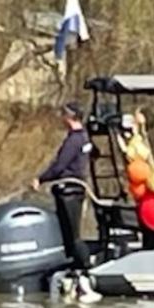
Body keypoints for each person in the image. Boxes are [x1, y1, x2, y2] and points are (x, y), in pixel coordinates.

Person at [31, 102, 97, 296]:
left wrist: (40, 179)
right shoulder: (85, 138)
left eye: (63, 115)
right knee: (73, 232)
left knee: (71, 234)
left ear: (69, 117)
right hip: (78, 189)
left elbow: (60, 166)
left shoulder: (73, 141)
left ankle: (84, 268)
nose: (61, 118)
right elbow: (95, 154)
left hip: (69, 191)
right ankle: (77, 267)